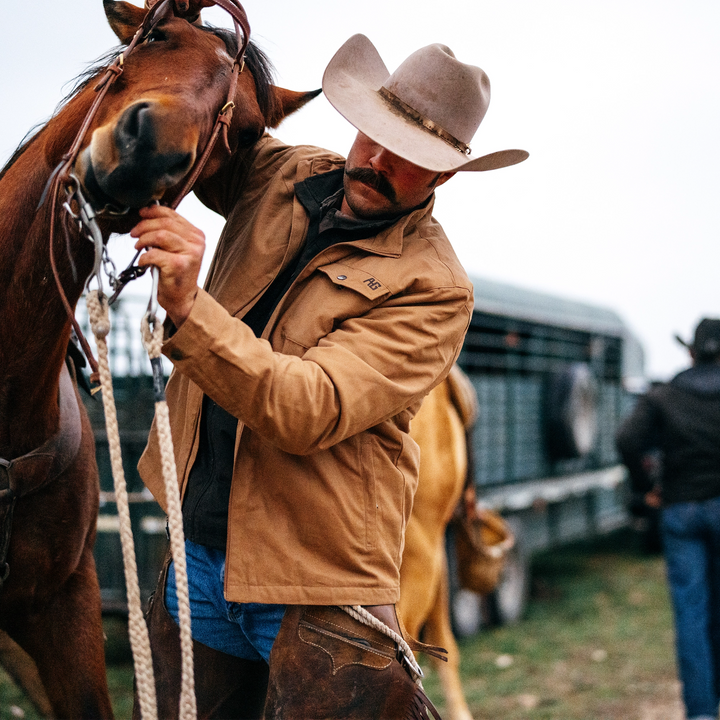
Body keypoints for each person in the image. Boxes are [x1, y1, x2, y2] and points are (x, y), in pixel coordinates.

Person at [131, 30, 528, 719]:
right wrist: (193, 36)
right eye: (372, 134)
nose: (376, 160)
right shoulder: (286, 175)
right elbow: (210, 134)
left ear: (444, 176)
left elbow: (308, 407)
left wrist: (191, 308)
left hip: (315, 586)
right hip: (196, 551)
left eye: (412, 157)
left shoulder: (435, 290)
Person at [616, 318, 720, 720]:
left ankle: (701, 712)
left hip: (681, 511)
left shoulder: (664, 395)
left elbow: (627, 440)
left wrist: (646, 488)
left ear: (691, 352)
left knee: (692, 613)